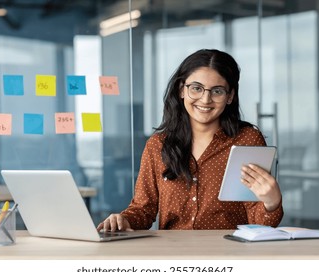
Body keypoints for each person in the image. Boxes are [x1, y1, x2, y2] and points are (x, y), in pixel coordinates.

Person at [97, 49, 283, 231]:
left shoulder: (247, 140)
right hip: (172, 254)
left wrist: (271, 202)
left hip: (230, 253)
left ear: (230, 96)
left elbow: (259, 223)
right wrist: (122, 220)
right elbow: (143, 210)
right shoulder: (158, 145)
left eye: (217, 91)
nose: (205, 99)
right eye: (196, 88)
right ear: (181, 90)